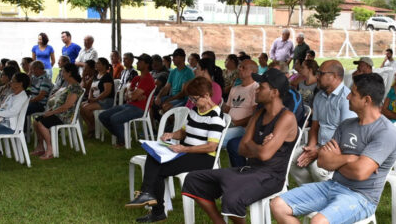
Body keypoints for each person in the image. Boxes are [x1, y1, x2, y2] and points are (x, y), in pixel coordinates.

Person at [272, 73, 396, 224]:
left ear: (367, 100)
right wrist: (350, 158)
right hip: (332, 186)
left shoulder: (386, 132)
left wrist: (336, 160)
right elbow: (323, 162)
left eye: (353, 93)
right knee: (278, 205)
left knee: (318, 222)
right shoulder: (346, 125)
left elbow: (359, 173)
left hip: (361, 197)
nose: (348, 97)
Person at [182, 69, 298, 224]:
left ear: (274, 92)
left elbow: (264, 155)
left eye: (261, 87)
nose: (256, 89)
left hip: (271, 177)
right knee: (193, 179)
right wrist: (259, 146)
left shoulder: (287, 117)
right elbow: (242, 148)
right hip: (249, 170)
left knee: (232, 194)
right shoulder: (258, 114)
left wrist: (254, 146)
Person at [125, 76, 226, 223]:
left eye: (194, 98)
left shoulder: (215, 116)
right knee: (153, 156)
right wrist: (171, 134)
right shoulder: (195, 111)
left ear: (206, 95)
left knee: (159, 169)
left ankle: (155, 208)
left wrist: (185, 148)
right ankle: (148, 196)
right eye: (191, 98)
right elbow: (183, 132)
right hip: (187, 151)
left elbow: (211, 146)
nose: (192, 102)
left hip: (204, 157)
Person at [290, 60, 356, 185]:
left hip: (338, 149)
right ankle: (309, 191)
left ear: (335, 76)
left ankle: (328, 195)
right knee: (293, 159)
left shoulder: (346, 98)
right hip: (319, 145)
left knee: (318, 168)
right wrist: (311, 146)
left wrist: (319, 152)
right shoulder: (320, 96)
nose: (317, 76)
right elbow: (315, 126)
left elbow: (345, 135)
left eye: (321, 73)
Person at [99, 54, 155, 148]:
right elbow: (127, 95)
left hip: (140, 108)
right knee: (103, 116)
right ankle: (123, 136)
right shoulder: (137, 78)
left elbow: (131, 96)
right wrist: (132, 95)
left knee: (114, 118)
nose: (137, 63)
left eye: (140, 61)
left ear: (147, 65)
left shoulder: (147, 79)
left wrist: (132, 95)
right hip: (129, 105)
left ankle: (123, 141)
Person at [32, 63, 83, 159]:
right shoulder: (68, 86)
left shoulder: (75, 87)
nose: (61, 74)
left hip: (65, 116)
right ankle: (40, 146)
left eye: (63, 71)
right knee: (35, 122)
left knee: (41, 124)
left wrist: (50, 113)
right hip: (58, 113)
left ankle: (50, 149)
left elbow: (67, 106)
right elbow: (59, 103)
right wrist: (51, 110)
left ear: (69, 73)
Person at [222, 59, 259, 148]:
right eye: (239, 67)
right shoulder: (234, 88)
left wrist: (234, 123)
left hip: (243, 128)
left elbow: (255, 115)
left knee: (215, 137)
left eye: (243, 67)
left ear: (253, 72)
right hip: (229, 125)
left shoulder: (256, 89)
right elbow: (226, 110)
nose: (240, 69)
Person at [80, 57, 115, 137]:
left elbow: (107, 92)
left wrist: (95, 99)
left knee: (86, 108)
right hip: (97, 99)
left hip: (106, 100)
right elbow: (91, 89)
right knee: (81, 107)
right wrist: (90, 98)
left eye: (98, 63)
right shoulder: (97, 76)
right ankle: (91, 125)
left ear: (104, 66)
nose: (96, 64)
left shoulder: (107, 76)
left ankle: (93, 127)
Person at [154, 48, 194, 114]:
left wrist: (169, 100)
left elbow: (183, 93)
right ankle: (158, 121)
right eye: (173, 57)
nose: (173, 59)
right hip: (173, 96)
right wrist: (158, 97)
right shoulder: (173, 71)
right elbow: (166, 87)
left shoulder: (188, 72)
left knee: (166, 106)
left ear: (182, 58)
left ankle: (168, 122)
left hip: (183, 100)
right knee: (153, 102)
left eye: (175, 57)